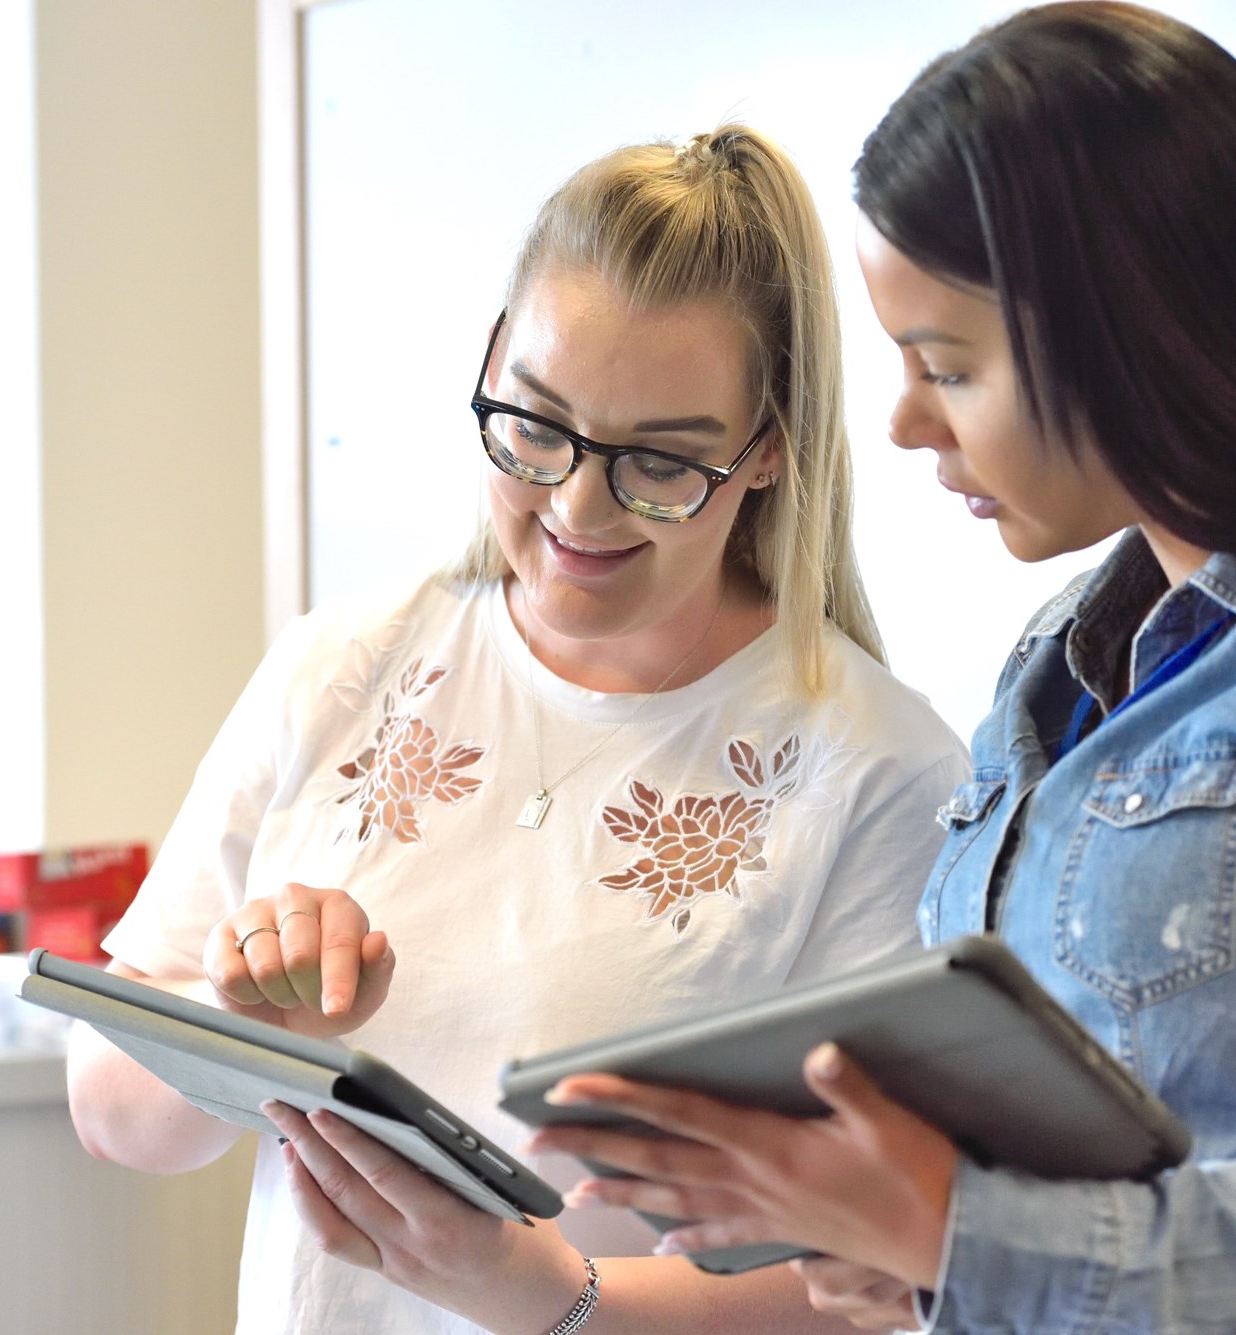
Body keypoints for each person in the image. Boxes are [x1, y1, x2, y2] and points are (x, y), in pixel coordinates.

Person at [523, 6, 1236, 1333]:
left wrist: (966, 1228)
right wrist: (906, 1252)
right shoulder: (1057, 662)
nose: (906, 422)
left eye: (950, 365)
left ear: (1131, 325)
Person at [64, 123, 968, 1335]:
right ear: (491, 357)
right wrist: (248, 1030)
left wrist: (553, 1298)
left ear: (765, 449)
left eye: (658, 460)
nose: (575, 509)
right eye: (534, 426)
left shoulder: (880, 773)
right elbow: (109, 1113)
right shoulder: (346, 665)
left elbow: (883, 1275)